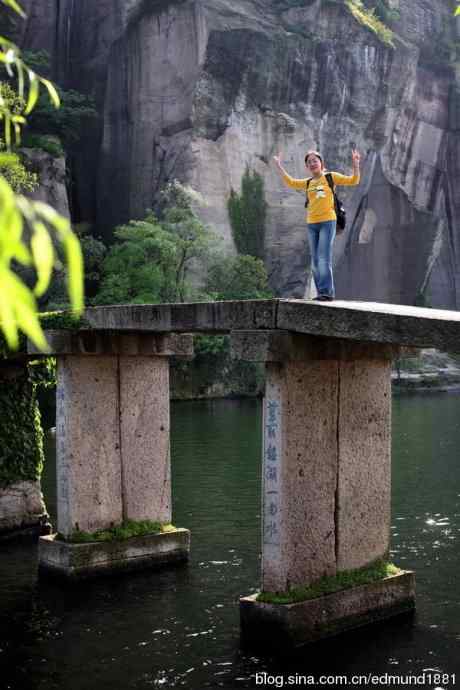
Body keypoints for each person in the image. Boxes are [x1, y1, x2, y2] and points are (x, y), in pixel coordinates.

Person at [273, 149, 360, 301]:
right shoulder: (308, 182)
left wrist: (356, 164)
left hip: (328, 221)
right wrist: (279, 166)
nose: (312, 164)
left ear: (321, 163)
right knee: (314, 260)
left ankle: (327, 292)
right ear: (307, 167)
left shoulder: (330, 177)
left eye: (315, 161)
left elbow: (353, 180)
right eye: (309, 162)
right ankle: (321, 293)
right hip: (312, 224)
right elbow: (291, 182)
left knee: (323, 258)